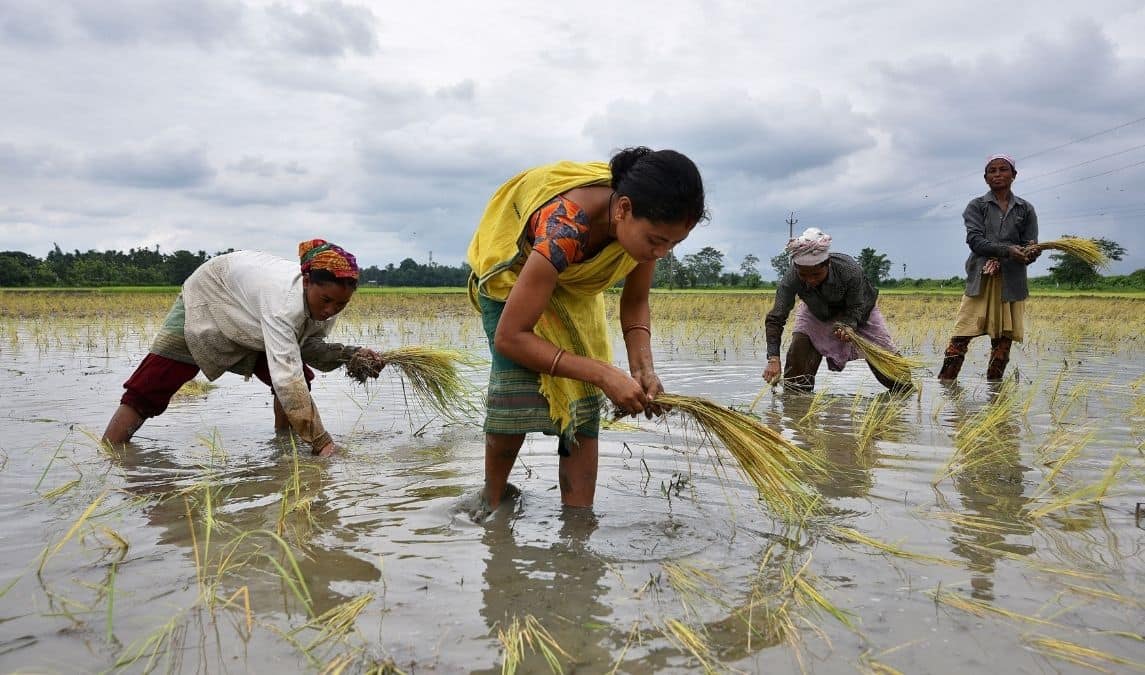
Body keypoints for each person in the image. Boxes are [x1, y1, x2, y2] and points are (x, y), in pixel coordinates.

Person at [467, 147, 707, 510]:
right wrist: (604, 374)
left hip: (573, 286)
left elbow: (635, 302)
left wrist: (643, 368)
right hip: (515, 282)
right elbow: (510, 338)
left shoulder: (642, 235)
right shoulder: (566, 224)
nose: (662, 253)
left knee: (583, 412)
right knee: (515, 398)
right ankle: (491, 503)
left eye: (674, 244)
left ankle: (578, 523)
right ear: (623, 209)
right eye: (657, 241)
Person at [102, 239, 385, 456]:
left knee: (300, 380)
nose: (331, 310)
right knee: (153, 383)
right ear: (307, 281)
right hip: (212, 294)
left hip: (254, 313)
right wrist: (321, 442)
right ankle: (109, 453)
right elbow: (288, 380)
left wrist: (351, 355)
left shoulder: (322, 303)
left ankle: (284, 450)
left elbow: (307, 346)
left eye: (341, 304)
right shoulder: (283, 305)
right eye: (326, 301)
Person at [762, 227, 910, 393]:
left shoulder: (849, 270)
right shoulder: (791, 278)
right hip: (817, 311)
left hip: (860, 310)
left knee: (899, 380)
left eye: (816, 275)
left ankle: (904, 391)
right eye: (804, 275)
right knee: (797, 364)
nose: (810, 281)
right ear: (797, 269)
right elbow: (776, 318)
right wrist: (773, 359)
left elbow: (857, 307)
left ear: (828, 264)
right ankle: (796, 402)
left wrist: (848, 325)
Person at [938, 153, 1039, 381]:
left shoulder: (1025, 209)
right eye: (992, 171)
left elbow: (1029, 245)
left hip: (1011, 282)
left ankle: (995, 391)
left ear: (1014, 175)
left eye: (1003, 169)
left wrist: (1031, 252)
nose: (997, 174)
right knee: (960, 336)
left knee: (1003, 343)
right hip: (981, 279)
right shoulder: (977, 206)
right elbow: (975, 241)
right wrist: (1007, 250)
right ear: (985, 178)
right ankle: (945, 384)